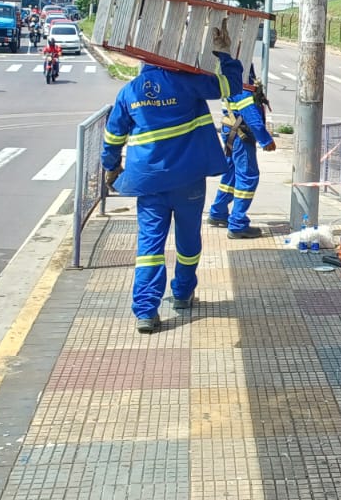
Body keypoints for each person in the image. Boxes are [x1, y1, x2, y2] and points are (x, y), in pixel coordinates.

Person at [100, 24, 245, 333]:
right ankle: (182, 293)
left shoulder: (130, 91)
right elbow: (231, 86)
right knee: (188, 240)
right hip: (188, 180)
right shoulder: (186, 82)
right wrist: (224, 53)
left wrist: (110, 167)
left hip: (149, 182)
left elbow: (113, 137)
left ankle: (146, 311)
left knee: (149, 246)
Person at [208, 69, 276, 238]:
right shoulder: (242, 79)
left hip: (231, 130)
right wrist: (265, 140)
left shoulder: (232, 75)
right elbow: (250, 114)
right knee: (248, 176)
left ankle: (218, 212)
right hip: (240, 133)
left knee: (231, 172)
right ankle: (238, 224)